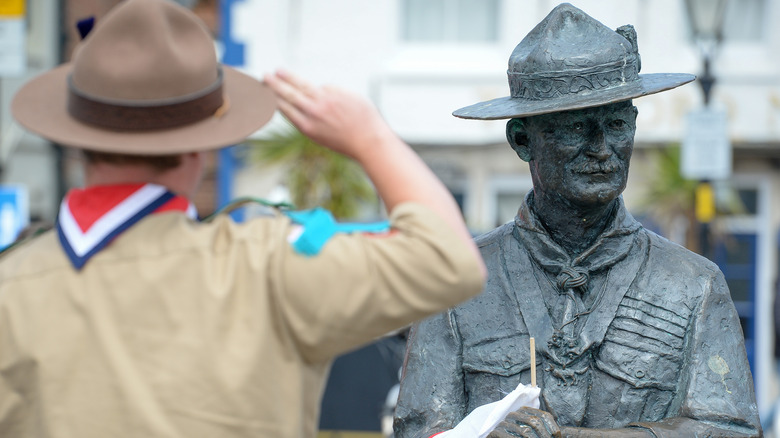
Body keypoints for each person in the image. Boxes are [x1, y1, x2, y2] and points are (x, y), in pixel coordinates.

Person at [0, 1, 486, 437]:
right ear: (202, 143)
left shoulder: (12, 285)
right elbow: (450, 259)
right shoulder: (268, 267)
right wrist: (369, 137)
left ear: (77, 134)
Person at [394, 4, 761, 438]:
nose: (602, 148)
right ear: (522, 139)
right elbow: (416, 430)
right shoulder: (455, 281)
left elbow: (732, 430)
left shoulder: (693, 285)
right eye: (575, 128)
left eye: (617, 124)